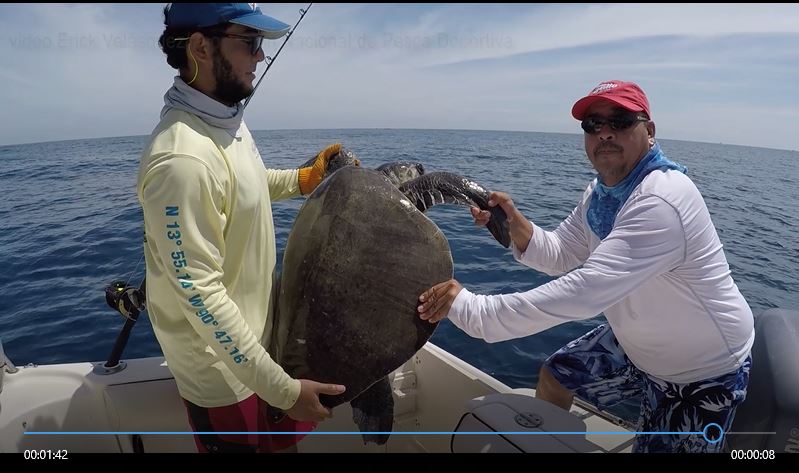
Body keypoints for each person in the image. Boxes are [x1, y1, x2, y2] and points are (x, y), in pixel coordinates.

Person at [417, 80, 754, 453]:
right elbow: (562, 251)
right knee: (556, 377)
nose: (605, 132)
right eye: (592, 124)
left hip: (701, 370)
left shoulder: (663, 199)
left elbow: (584, 292)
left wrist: (472, 309)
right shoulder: (601, 194)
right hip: (638, 346)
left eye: (621, 120)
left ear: (650, 131)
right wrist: (518, 228)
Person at [137, 3, 345, 453]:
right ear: (200, 47)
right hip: (224, 375)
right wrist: (286, 392)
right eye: (249, 43)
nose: (260, 57)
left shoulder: (224, 121)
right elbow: (201, 296)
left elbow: (245, 185)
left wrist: (303, 179)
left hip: (262, 352)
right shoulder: (182, 161)